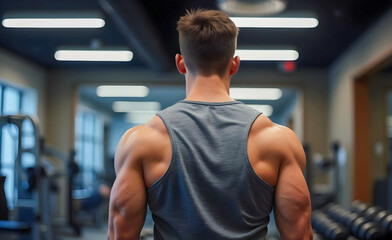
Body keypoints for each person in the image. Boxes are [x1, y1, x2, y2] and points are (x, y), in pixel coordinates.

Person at [108, 9, 312, 240]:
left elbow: (120, 233)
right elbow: (300, 233)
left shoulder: (141, 140)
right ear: (234, 64)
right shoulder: (278, 140)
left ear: (180, 63)